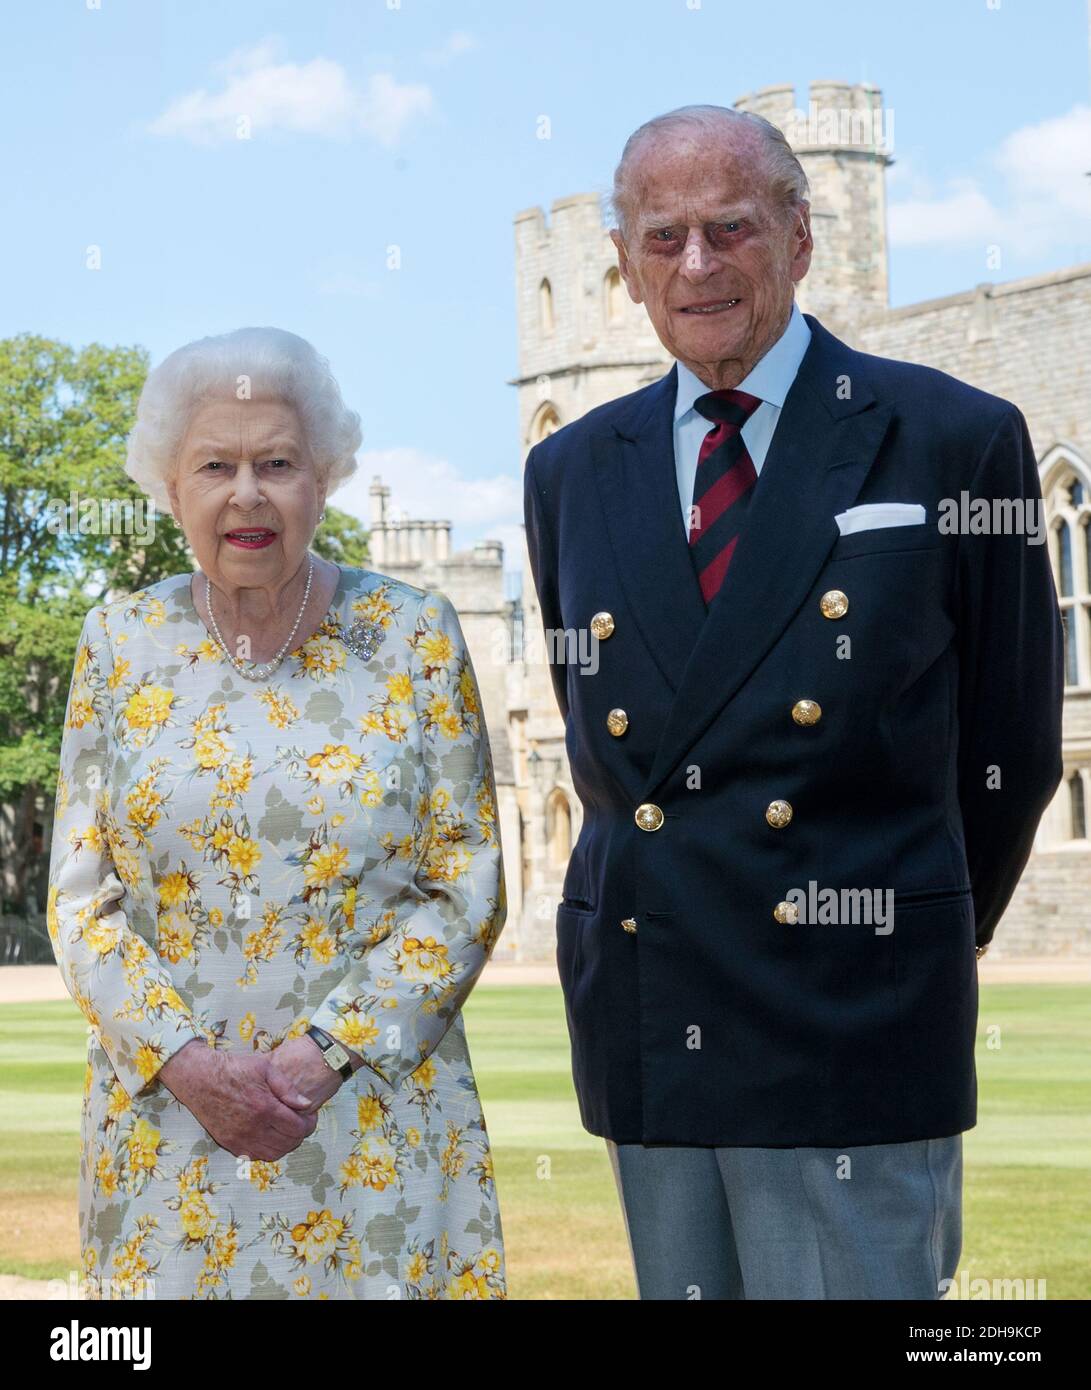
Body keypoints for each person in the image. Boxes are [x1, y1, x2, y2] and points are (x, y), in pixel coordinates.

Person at [522, 105, 1064, 1300]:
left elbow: (1012, 748)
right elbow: (599, 740)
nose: (697, 265)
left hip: (851, 1019)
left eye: (729, 228)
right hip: (653, 1014)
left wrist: (892, 923)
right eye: (661, 238)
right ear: (622, 266)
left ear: (800, 238)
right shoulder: (570, 467)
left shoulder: (950, 438)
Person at [47, 326, 507, 1299]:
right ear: (170, 488)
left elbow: (464, 882)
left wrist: (321, 1055)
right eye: (215, 464)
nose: (247, 493)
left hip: (370, 1121)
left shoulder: (413, 636)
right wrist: (188, 1065)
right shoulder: (118, 641)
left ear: (324, 480)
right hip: (171, 1130)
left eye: (278, 462)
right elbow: (82, 898)